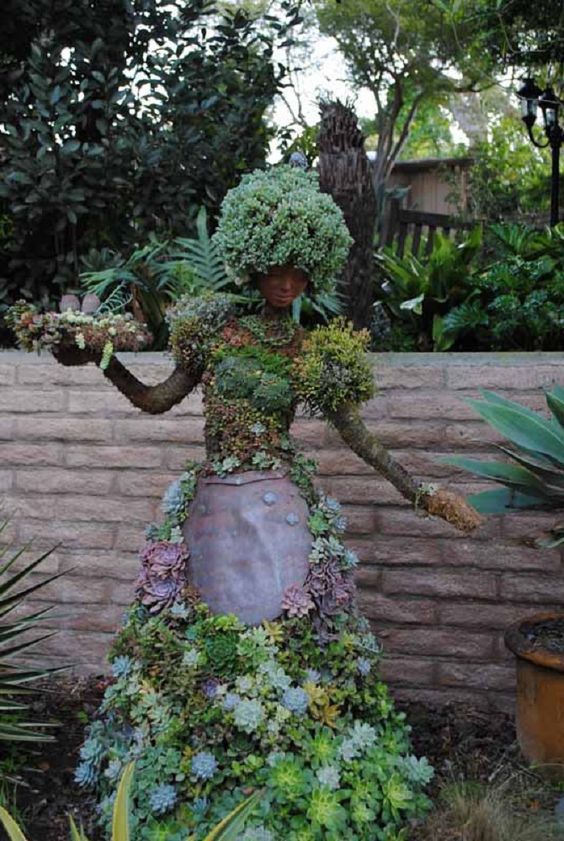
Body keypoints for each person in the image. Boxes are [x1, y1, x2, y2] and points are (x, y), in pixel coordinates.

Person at [8, 165, 478, 839]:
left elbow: (358, 436)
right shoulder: (213, 331)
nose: (285, 284)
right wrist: (103, 358)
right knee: (202, 623)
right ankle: (185, 771)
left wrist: (420, 491)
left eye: (298, 274)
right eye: (275, 271)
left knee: (288, 621)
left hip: (279, 503)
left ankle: (292, 767)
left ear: (311, 273)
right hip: (214, 507)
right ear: (253, 263)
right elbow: (156, 400)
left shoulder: (314, 353)